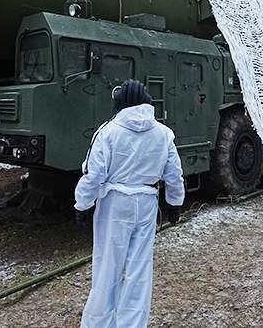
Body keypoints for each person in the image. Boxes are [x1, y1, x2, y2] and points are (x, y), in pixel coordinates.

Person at [74, 79, 185, 328]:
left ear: (120, 104)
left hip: (114, 204)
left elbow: (94, 174)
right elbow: (174, 173)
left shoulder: (107, 132)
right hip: (146, 203)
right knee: (139, 270)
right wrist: (174, 202)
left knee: (107, 269)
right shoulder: (163, 133)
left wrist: (82, 204)